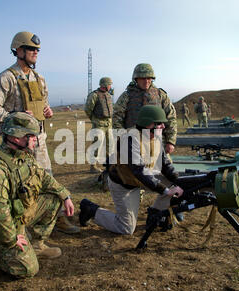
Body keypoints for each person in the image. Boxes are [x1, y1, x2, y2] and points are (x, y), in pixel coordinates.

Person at [0, 31, 80, 234]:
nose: (36, 53)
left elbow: (44, 104)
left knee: (46, 180)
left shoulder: (39, 78)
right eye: (31, 49)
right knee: (20, 186)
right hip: (16, 146)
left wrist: (48, 111)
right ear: (18, 50)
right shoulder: (6, 78)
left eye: (37, 50)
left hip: (39, 141)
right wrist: (14, 116)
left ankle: (56, 219)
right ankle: (18, 225)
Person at [0, 112, 75, 278]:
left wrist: (65, 195)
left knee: (54, 199)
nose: (35, 140)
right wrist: (11, 239)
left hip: (18, 215)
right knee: (28, 269)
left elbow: (43, 177)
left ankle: (37, 244)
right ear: (17, 138)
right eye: (31, 136)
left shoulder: (23, 155)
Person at [79, 105, 184, 235]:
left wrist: (179, 181)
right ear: (148, 124)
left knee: (175, 184)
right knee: (126, 228)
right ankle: (91, 210)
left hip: (141, 179)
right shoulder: (129, 139)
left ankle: (156, 213)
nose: (163, 126)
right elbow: (138, 170)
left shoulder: (154, 136)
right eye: (159, 123)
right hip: (124, 185)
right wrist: (165, 190)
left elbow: (165, 164)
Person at [112, 63, 177, 155]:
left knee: (163, 167)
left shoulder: (160, 95)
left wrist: (170, 141)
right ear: (136, 79)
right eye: (142, 78)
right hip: (134, 142)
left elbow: (171, 117)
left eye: (149, 78)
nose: (146, 81)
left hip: (157, 143)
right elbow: (116, 119)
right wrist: (123, 138)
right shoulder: (127, 96)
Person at [84, 77, 114, 173]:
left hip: (109, 123)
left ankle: (109, 164)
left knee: (110, 145)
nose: (110, 86)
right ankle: (93, 166)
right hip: (99, 123)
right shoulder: (94, 95)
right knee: (97, 144)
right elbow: (88, 109)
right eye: (109, 84)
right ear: (105, 85)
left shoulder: (108, 95)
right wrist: (94, 120)